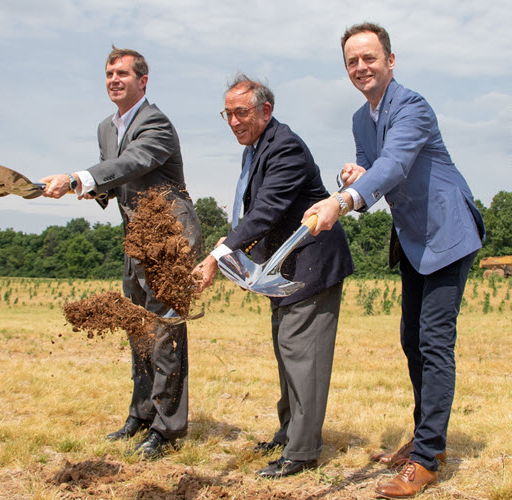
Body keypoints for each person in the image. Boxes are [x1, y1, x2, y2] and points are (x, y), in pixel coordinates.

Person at [303, 22, 485, 498]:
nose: (361, 67)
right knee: (411, 340)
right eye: (352, 62)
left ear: (390, 61)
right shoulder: (362, 119)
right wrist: (354, 174)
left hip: (447, 233)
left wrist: (341, 202)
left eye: (370, 58)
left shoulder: (412, 107)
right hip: (411, 240)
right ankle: (428, 439)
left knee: (433, 342)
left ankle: (426, 459)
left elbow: (395, 165)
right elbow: (374, 171)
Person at [38, 47, 200, 460]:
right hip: (135, 241)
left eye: (123, 73)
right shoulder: (105, 128)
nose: (114, 79)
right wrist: (88, 187)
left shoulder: (156, 123)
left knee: (165, 334)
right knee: (137, 330)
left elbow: (136, 161)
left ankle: (167, 429)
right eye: (109, 72)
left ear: (143, 81)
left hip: (168, 240)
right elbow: (116, 177)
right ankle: (141, 415)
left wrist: (78, 178)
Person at [194, 74, 353, 478]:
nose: (233, 121)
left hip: (310, 269)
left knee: (304, 360)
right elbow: (257, 214)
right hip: (284, 270)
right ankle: (288, 434)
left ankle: (302, 452)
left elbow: (265, 212)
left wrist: (218, 254)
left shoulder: (285, 149)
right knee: (289, 355)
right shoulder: (257, 147)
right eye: (227, 113)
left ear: (266, 110)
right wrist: (231, 241)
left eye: (241, 112)